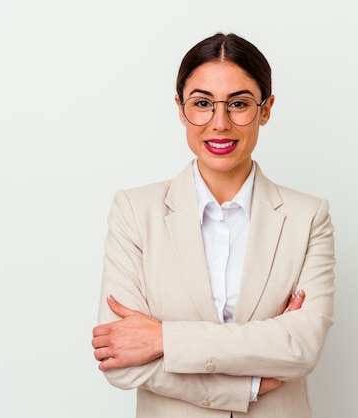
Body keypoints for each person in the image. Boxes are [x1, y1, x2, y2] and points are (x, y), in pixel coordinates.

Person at [91, 32, 336, 418]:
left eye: (238, 104)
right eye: (202, 103)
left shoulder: (308, 217)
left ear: (266, 109)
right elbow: (120, 360)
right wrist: (249, 383)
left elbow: (300, 347)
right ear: (180, 108)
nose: (219, 123)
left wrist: (162, 338)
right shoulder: (135, 211)